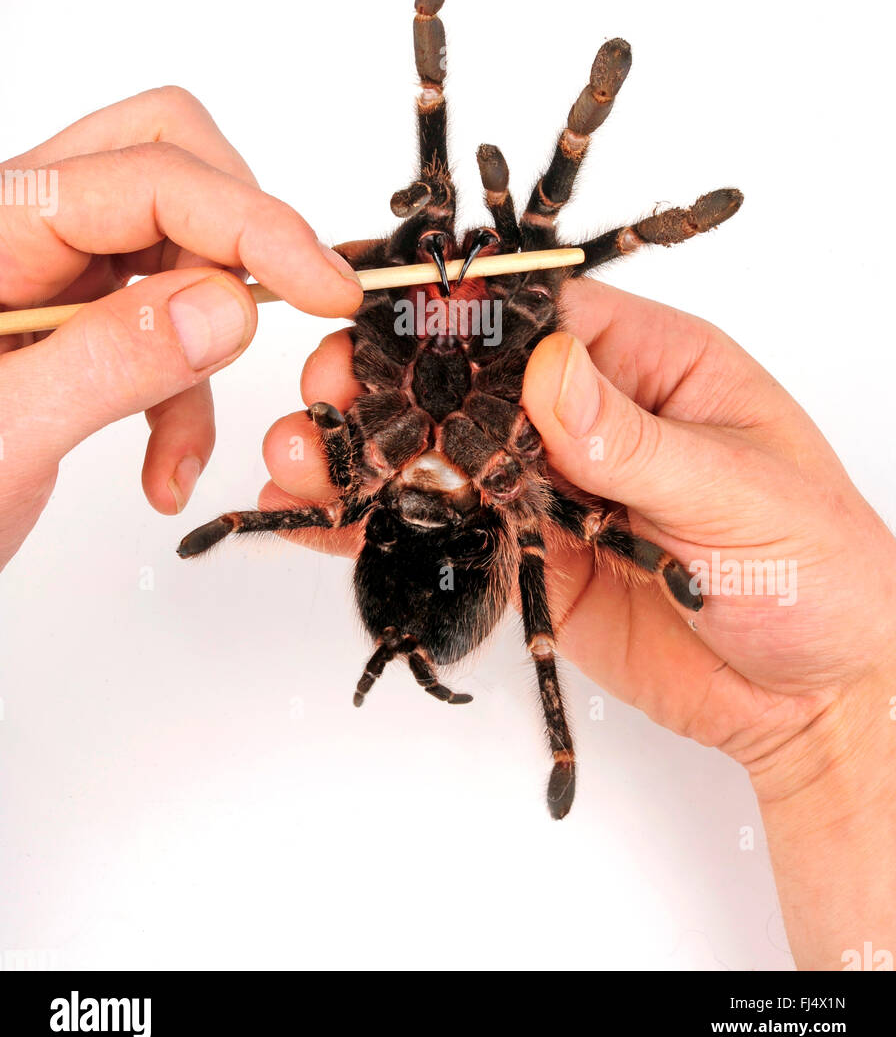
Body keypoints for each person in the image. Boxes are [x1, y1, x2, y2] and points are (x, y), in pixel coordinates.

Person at [2, 88, 894, 972]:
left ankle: (520, 168)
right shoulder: (500, 426)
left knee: (476, 318)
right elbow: (498, 476)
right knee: (537, 258)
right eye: (433, 247)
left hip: (408, 489)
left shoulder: (400, 417)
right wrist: (824, 717)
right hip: (469, 499)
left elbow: (343, 473)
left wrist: (827, 714)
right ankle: (553, 176)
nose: (453, 262)